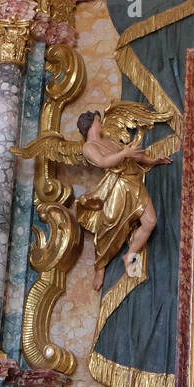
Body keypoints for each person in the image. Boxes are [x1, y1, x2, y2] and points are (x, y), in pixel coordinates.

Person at [75, 110, 172, 290]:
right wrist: (124, 153)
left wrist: (152, 161)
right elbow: (104, 162)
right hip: (118, 187)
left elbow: (133, 156)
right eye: (98, 120)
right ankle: (100, 266)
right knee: (109, 228)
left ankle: (131, 255)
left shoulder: (109, 139)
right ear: (90, 125)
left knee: (150, 222)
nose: (101, 123)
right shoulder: (88, 147)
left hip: (134, 180)